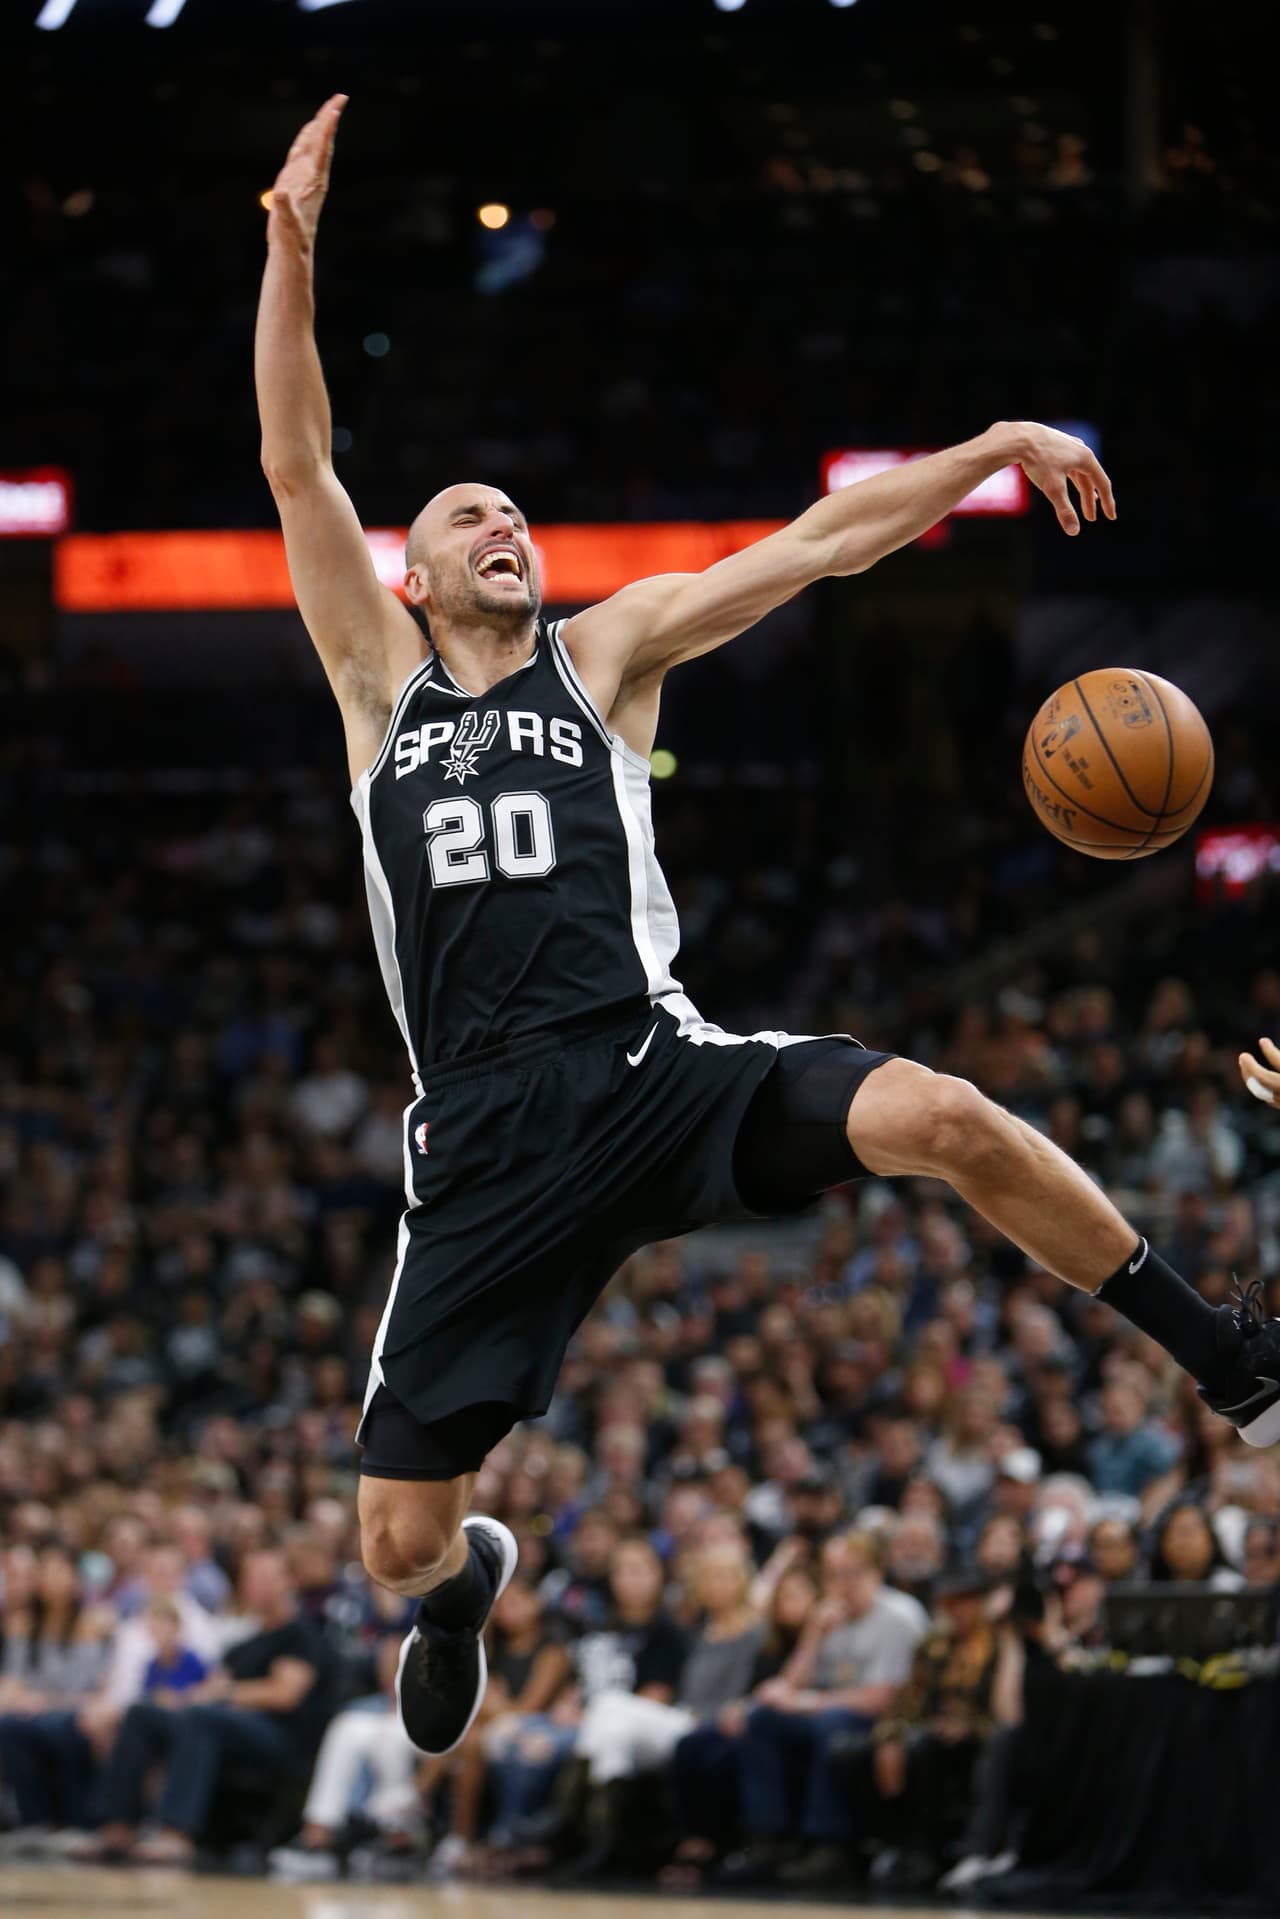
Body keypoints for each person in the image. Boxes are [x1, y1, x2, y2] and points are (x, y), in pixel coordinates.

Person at [257, 93, 1280, 1761]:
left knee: (941, 1113)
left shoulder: (609, 657)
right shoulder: (378, 692)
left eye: (515, 510)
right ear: (417, 580)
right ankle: (464, 1586)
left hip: (653, 1065)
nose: (501, 524)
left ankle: (1230, 1358)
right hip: (491, 1141)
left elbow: (819, 548)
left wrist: (994, 446)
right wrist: (292, 257)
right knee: (393, 1538)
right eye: (467, 517)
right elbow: (297, 461)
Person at [75, 1549, 329, 1867]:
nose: (254, 1587)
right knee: (142, 1713)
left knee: (202, 1717)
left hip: (279, 1736)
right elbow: (210, 1686)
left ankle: (176, 1833)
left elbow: (285, 1694)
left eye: (264, 1578)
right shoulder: (244, 1643)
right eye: (249, 1579)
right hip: (223, 1724)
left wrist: (225, 1693)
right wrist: (183, 1697)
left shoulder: (300, 1634)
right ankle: (117, 1825)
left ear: (288, 1583)